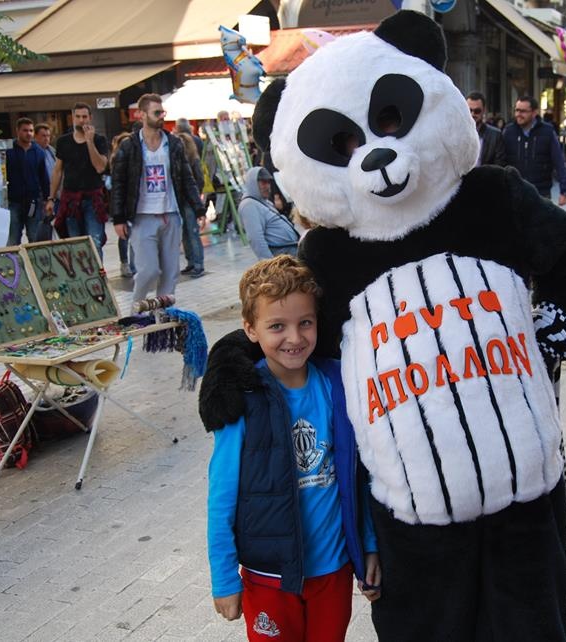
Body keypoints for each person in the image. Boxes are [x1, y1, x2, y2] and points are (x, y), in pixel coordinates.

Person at [207, 254, 381, 641]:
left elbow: (358, 476)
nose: (295, 337)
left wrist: (367, 546)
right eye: (277, 326)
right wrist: (223, 578)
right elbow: (221, 495)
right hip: (269, 576)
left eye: (306, 322)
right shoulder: (242, 396)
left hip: (332, 571)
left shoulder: (338, 383)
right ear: (251, 329)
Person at [110, 93, 205, 305]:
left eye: (163, 112)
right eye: (156, 112)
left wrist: (199, 209)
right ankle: (138, 308)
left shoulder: (173, 144)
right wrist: (118, 218)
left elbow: (186, 177)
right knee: (149, 270)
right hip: (143, 216)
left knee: (171, 271)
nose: (161, 116)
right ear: (141, 115)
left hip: (170, 214)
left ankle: (164, 315)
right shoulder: (130, 146)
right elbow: (119, 183)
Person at [47, 102, 110, 257]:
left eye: (84, 117)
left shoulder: (99, 140)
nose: (81, 120)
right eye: (78, 117)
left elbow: (100, 167)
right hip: (71, 199)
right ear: (72, 118)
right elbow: (57, 170)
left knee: (94, 241)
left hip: (93, 198)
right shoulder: (63, 141)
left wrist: (89, 141)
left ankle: (98, 277)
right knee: (74, 243)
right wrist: (51, 198)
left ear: (90, 118)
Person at [502, 95, 566, 205]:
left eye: (523, 111)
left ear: (534, 113)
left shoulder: (547, 132)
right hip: (514, 191)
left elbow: (559, 161)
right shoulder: (509, 132)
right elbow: (501, 160)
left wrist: (564, 190)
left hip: (540, 192)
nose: (518, 114)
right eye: (517, 110)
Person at [5, 117, 50, 245]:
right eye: (25, 130)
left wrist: (47, 199)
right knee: (13, 237)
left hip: (33, 203)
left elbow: (44, 177)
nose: (28, 133)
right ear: (17, 131)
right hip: (13, 202)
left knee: (34, 235)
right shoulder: (9, 151)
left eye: (31, 130)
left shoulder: (39, 152)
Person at [239, 166, 301, 259]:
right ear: (253, 184)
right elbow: (256, 239)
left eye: (268, 182)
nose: (267, 186)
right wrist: (270, 264)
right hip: (281, 256)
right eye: (263, 182)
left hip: (290, 252)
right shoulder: (249, 205)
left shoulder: (263, 202)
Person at [176, 131, 207, 278]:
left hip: (189, 201)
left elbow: (199, 180)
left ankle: (198, 264)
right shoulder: (179, 160)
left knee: (192, 232)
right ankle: (191, 262)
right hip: (181, 200)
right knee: (186, 233)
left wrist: (196, 198)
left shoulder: (192, 160)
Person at [108, 132, 135, 279]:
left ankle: (134, 265)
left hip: (133, 202)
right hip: (123, 203)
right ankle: (125, 263)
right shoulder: (116, 160)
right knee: (125, 234)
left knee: (134, 234)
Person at [465, 91, 505, 166]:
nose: (472, 114)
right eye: (469, 110)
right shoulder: (456, 133)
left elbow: (499, 164)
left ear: (484, 111)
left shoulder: (495, 135)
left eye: (477, 111)